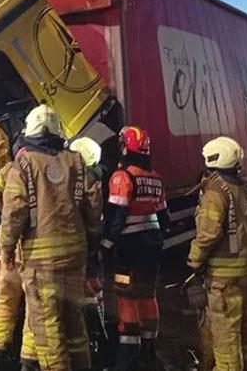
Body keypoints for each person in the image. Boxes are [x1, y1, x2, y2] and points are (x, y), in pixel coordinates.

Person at [0, 104, 103, 371]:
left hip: (41, 263)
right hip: (75, 257)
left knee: (49, 329)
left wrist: (6, 250)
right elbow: (93, 205)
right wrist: (92, 241)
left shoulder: (23, 165)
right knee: (74, 320)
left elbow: (13, 212)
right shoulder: (76, 161)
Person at [187, 136, 247, 371]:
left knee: (225, 338)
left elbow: (208, 233)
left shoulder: (215, 190)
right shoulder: (245, 188)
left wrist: (194, 261)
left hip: (223, 278)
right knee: (245, 330)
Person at [100, 126, 170, 370]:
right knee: (147, 295)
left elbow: (116, 217)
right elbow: (164, 218)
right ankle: (149, 351)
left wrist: (106, 246)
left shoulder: (122, 177)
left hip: (128, 250)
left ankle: (127, 358)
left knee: (126, 297)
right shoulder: (155, 177)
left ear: (125, 147)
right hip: (151, 248)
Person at [0, 134, 38, 371]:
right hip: (30, 248)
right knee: (33, 309)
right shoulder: (41, 170)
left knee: (4, 303)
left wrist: (3, 209)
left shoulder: (10, 169)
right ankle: (27, 363)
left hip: (8, 249)